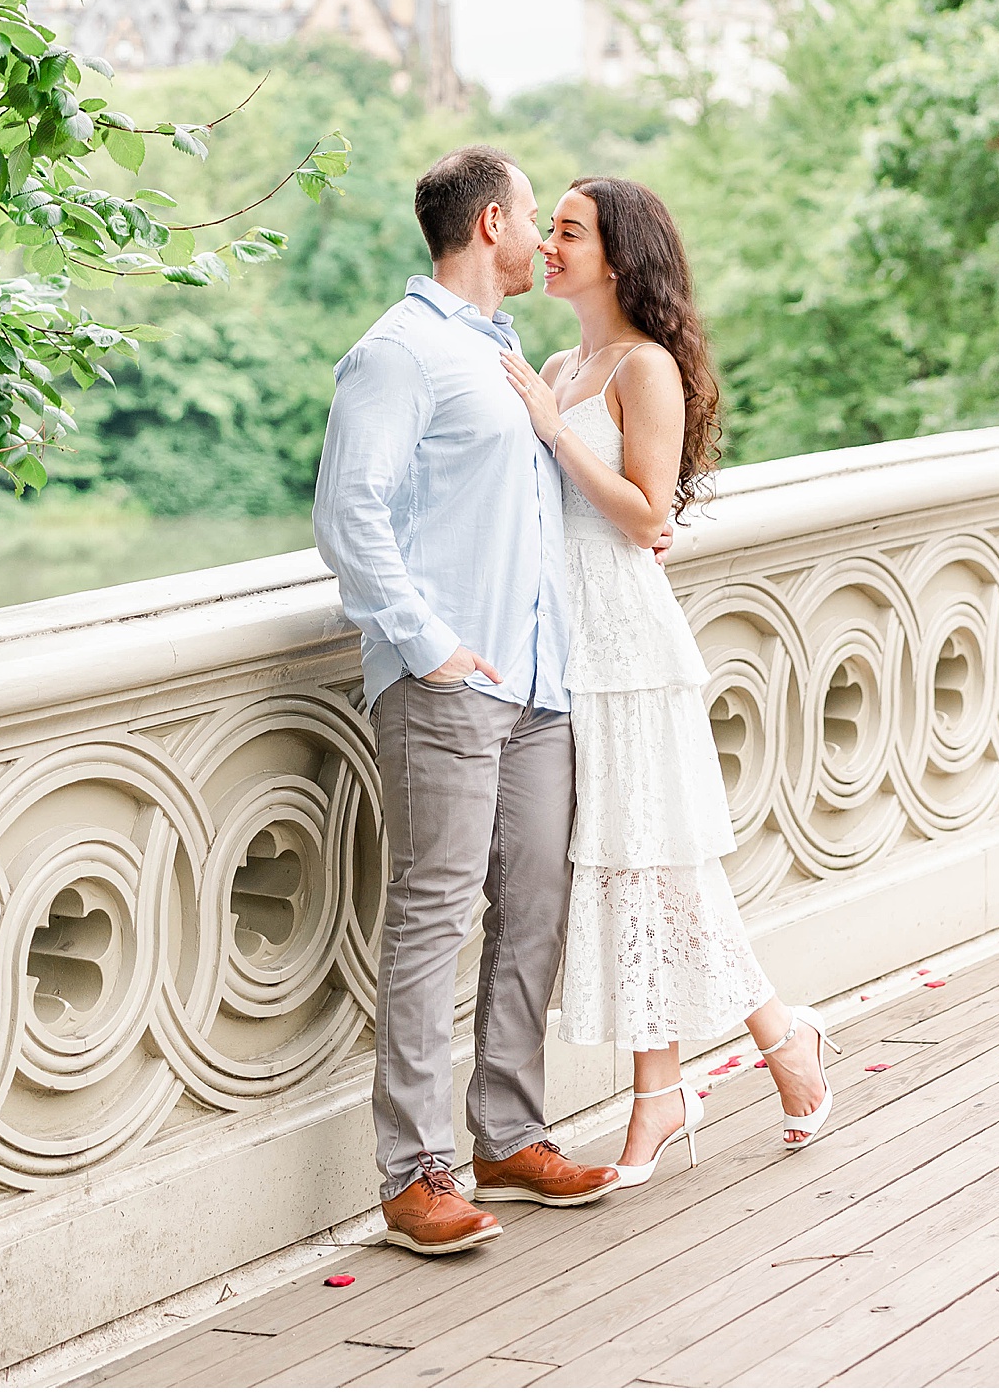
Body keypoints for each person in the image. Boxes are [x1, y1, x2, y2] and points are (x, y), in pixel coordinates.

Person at [313, 146, 620, 1257]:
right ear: (490, 224)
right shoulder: (397, 353)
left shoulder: (506, 355)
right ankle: (413, 1171)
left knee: (532, 909)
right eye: (535, 219)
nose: (545, 240)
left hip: (541, 689)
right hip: (447, 687)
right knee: (432, 916)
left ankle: (507, 1134)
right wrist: (432, 645)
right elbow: (351, 516)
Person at [500, 176, 839, 1181]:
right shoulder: (560, 360)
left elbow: (649, 516)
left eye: (568, 231)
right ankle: (691, 1078)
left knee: (660, 868)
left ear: (618, 254)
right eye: (548, 228)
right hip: (567, 650)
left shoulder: (641, 368)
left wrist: (551, 427)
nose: (549, 246)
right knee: (626, 873)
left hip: (630, 654)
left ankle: (765, 1049)